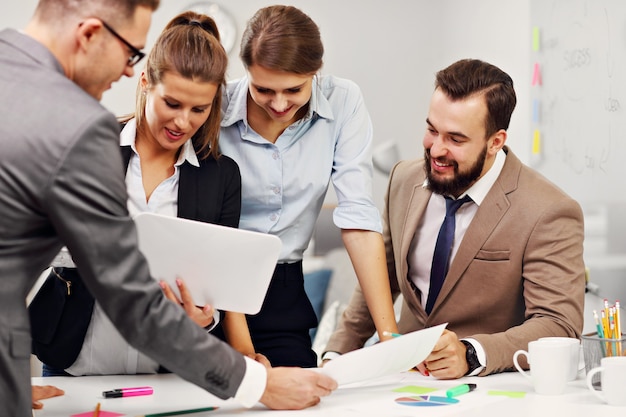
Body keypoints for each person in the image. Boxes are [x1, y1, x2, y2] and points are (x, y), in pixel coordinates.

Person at [0, 1, 335, 415]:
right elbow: (130, 297)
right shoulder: (82, 131)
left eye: (199, 108)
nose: (126, 69)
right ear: (89, 35)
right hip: (71, 358)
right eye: (131, 53)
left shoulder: (12, 76)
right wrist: (258, 386)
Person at [30, 10, 264, 377]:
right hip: (72, 365)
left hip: (166, 374)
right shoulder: (85, 146)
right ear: (144, 82)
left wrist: (203, 320)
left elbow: (220, 289)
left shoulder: (221, 178)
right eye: (171, 104)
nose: (183, 122)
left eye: (199, 109)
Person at [325, 59, 586, 378]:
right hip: (402, 383)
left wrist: (471, 353)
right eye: (432, 130)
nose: (435, 150)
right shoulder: (403, 179)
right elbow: (383, 273)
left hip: (489, 390)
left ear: (496, 142)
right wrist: (336, 353)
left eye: (455, 139)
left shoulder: (548, 210)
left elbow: (559, 324)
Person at [218, 5, 399, 368]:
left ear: (316, 72)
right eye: (263, 89)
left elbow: (359, 221)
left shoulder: (343, 102)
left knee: (304, 394)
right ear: (245, 71)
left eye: (294, 89)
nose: (279, 104)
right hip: (215, 284)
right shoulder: (215, 106)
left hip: (284, 288)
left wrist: (389, 338)